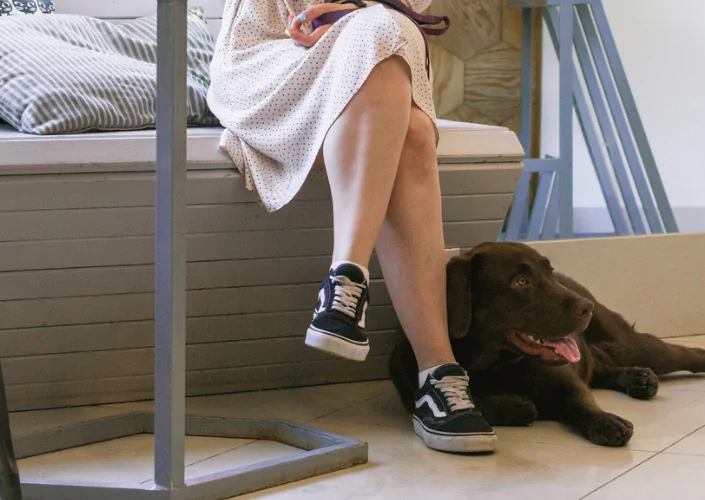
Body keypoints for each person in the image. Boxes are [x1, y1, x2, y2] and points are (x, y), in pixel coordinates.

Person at [207, 0, 496, 453]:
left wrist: (349, 16)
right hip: (264, 57)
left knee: (412, 122)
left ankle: (347, 289)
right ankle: (434, 372)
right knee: (389, 59)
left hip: (367, 48)